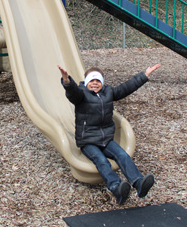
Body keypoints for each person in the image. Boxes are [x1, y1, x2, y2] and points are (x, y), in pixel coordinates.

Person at [58, 63, 161, 204]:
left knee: (122, 155)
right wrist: (67, 81)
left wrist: (144, 75)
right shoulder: (81, 95)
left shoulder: (108, 92)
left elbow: (126, 88)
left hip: (106, 139)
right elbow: (73, 93)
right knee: (101, 161)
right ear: (86, 82)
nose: (95, 83)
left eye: (98, 81)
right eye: (92, 81)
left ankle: (139, 183)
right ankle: (116, 187)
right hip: (88, 141)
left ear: (102, 83)